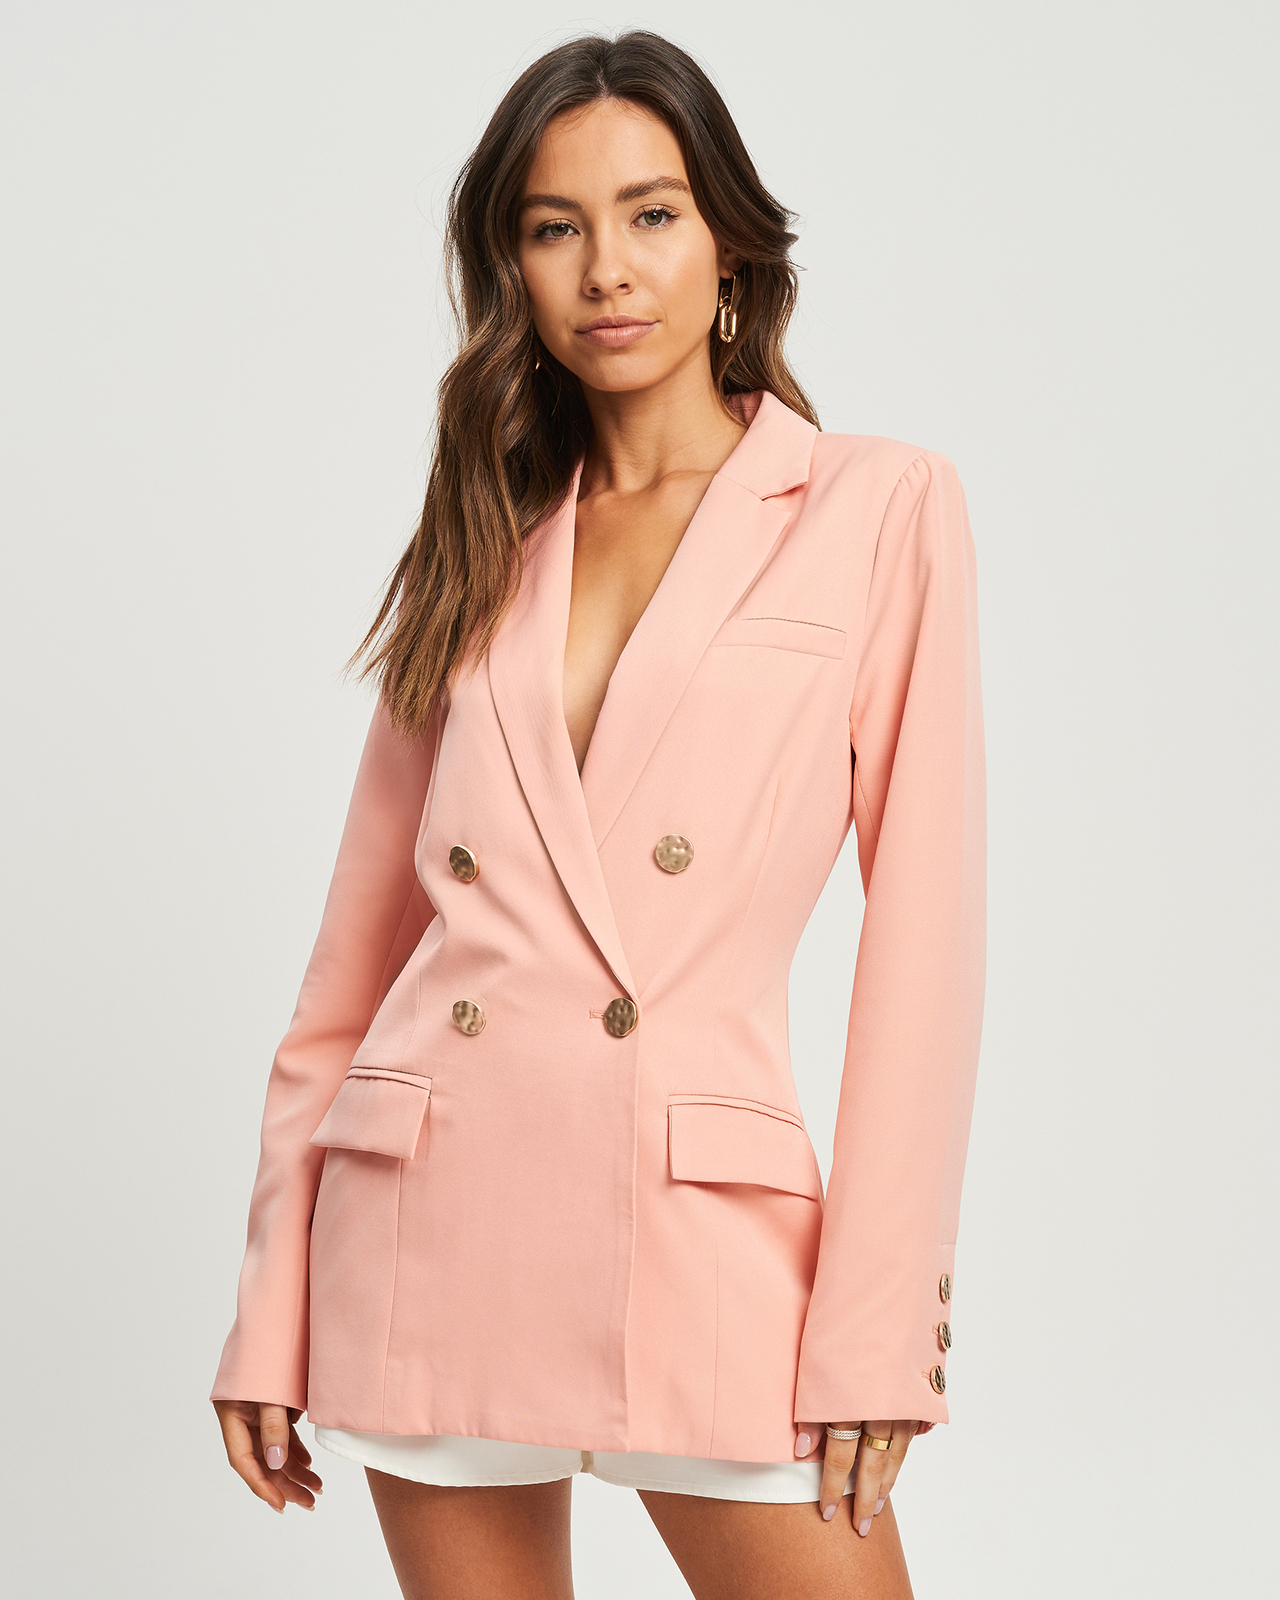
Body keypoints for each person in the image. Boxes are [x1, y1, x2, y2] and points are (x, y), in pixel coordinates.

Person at [211, 29, 986, 1600]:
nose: (607, 270)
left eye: (653, 214)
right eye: (554, 227)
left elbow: (928, 942)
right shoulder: (483, 528)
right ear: (512, 267)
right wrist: (272, 1299)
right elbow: (355, 962)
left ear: (731, 246)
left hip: (706, 1229)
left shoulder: (875, 505)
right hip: (433, 1219)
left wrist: (877, 1317)